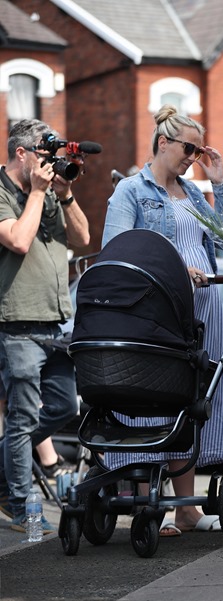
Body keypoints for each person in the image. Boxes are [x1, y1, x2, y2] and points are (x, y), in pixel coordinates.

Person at [102, 104, 223, 536]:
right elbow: (120, 253)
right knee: (157, 394)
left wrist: (218, 182)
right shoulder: (130, 190)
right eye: (189, 148)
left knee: (194, 396)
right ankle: (153, 503)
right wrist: (179, 271)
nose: (193, 156)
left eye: (199, 150)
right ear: (163, 142)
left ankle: (186, 508)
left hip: (204, 306)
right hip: (160, 307)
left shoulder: (193, 192)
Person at [0, 118, 89, 532]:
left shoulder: (50, 192)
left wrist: (65, 195)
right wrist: (37, 192)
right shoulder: (2, 191)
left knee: (62, 407)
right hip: (17, 323)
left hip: (56, 322)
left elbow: (84, 238)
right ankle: (19, 507)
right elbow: (18, 239)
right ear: (21, 153)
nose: (49, 162)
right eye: (42, 153)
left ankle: (5, 464)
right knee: (20, 418)